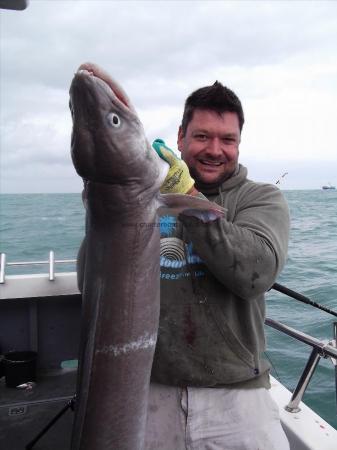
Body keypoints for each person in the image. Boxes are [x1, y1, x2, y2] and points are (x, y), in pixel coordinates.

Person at [145, 81, 290, 450]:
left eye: (227, 139)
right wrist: (108, 200)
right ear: (180, 137)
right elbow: (94, 277)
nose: (215, 150)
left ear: (239, 143)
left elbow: (256, 273)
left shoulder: (260, 198)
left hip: (238, 395)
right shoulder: (144, 199)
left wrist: (189, 200)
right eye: (202, 136)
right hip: (151, 389)